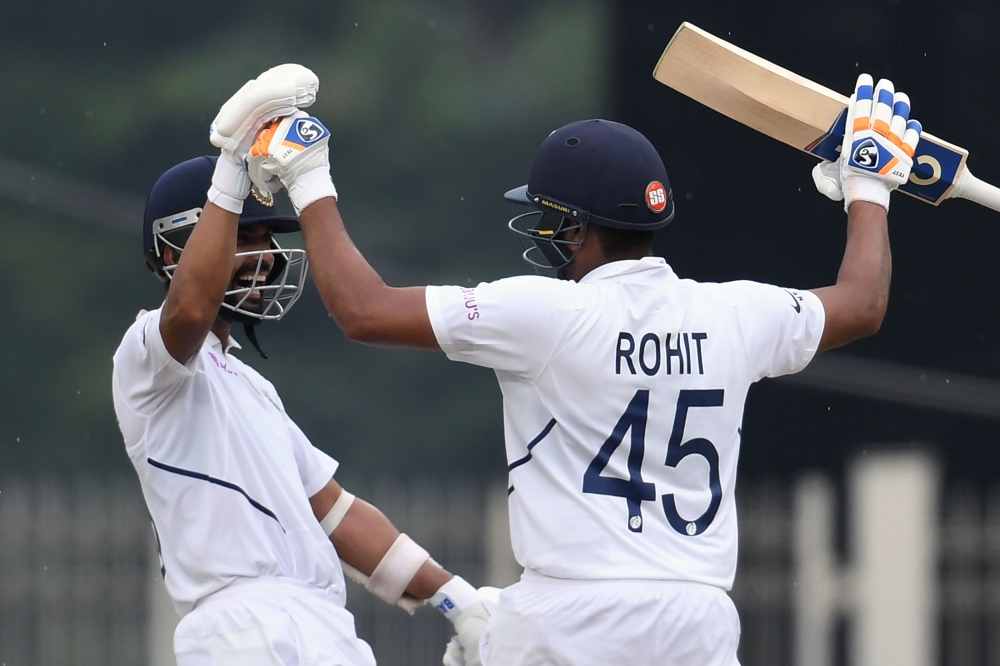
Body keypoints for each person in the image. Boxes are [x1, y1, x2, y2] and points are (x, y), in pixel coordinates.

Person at [245, 70, 919, 665]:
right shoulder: (736, 314)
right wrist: (868, 187)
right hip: (698, 618)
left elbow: (363, 311)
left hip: (572, 617)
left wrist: (309, 178)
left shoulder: (546, 315)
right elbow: (862, 304)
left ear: (579, 226)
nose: (544, 231)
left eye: (549, 216)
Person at [111, 66, 494, 666]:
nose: (265, 256)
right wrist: (232, 167)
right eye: (247, 234)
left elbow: (334, 513)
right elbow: (186, 310)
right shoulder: (144, 357)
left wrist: (456, 599)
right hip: (242, 629)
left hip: (319, 623)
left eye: (267, 237)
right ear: (171, 249)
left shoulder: (252, 386)